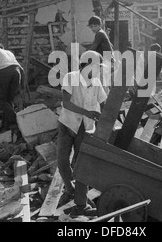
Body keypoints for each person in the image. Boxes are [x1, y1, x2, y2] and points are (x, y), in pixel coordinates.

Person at [57, 50, 107, 217]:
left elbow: (104, 104)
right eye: (97, 66)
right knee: (62, 162)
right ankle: (70, 190)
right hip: (67, 124)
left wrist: (110, 120)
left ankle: (81, 203)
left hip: (84, 128)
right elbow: (66, 103)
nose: (98, 70)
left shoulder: (96, 83)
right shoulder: (71, 77)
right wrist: (87, 112)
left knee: (81, 165)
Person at [0, 42, 25, 134]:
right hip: (17, 72)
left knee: (2, 101)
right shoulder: (9, 52)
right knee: (9, 101)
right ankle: (6, 126)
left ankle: (15, 120)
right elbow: (20, 68)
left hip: (5, 72)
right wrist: (23, 84)